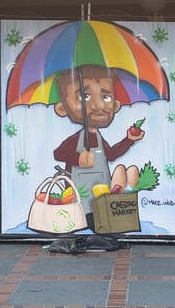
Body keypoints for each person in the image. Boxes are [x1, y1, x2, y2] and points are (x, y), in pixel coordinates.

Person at [53, 65, 143, 228]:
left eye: (106, 97)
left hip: (101, 198)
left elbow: (111, 154)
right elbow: (58, 153)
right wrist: (77, 158)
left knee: (102, 216)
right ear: (62, 108)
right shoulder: (75, 139)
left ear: (115, 105)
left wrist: (129, 140)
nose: (99, 105)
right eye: (85, 96)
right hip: (80, 198)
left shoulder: (99, 138)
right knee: (86, 218)